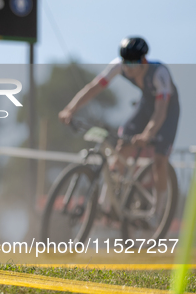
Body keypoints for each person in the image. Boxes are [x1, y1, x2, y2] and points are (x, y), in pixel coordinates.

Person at [59, 37, 180, 225]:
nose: (128, 67)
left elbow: (161, 111)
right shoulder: (119, 66)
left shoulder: (160, 73)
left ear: (144, 61)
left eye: (133, 62)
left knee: (159, 161)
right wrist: (71, 108)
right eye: (125, 62)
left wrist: (148, 133)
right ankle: (105, 205)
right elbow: (93, 88)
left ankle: (158, 213)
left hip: (166, 111)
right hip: (145, 105)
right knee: (121, 146)